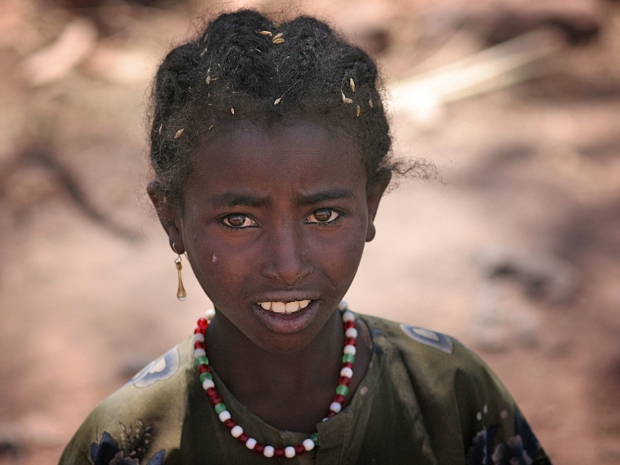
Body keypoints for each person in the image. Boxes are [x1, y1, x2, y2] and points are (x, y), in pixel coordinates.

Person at [59, 9, 552, 465]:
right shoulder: (126, 443)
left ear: (372, 203)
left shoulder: (450, 393)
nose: (288, 265)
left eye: (323, 214)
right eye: (238, 220)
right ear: (172, 220)